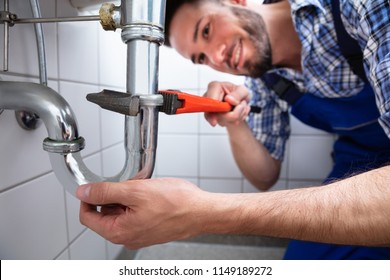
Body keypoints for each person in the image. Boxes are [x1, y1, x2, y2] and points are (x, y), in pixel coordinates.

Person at [76, 0, 390, 258]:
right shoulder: (266, 81)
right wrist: (233, 121)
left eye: (207, 30)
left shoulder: (356, 5)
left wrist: (201, 213)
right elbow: (265, 175)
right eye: (201, 58)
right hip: (359, 163)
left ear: (235, 1)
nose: (216, 57)